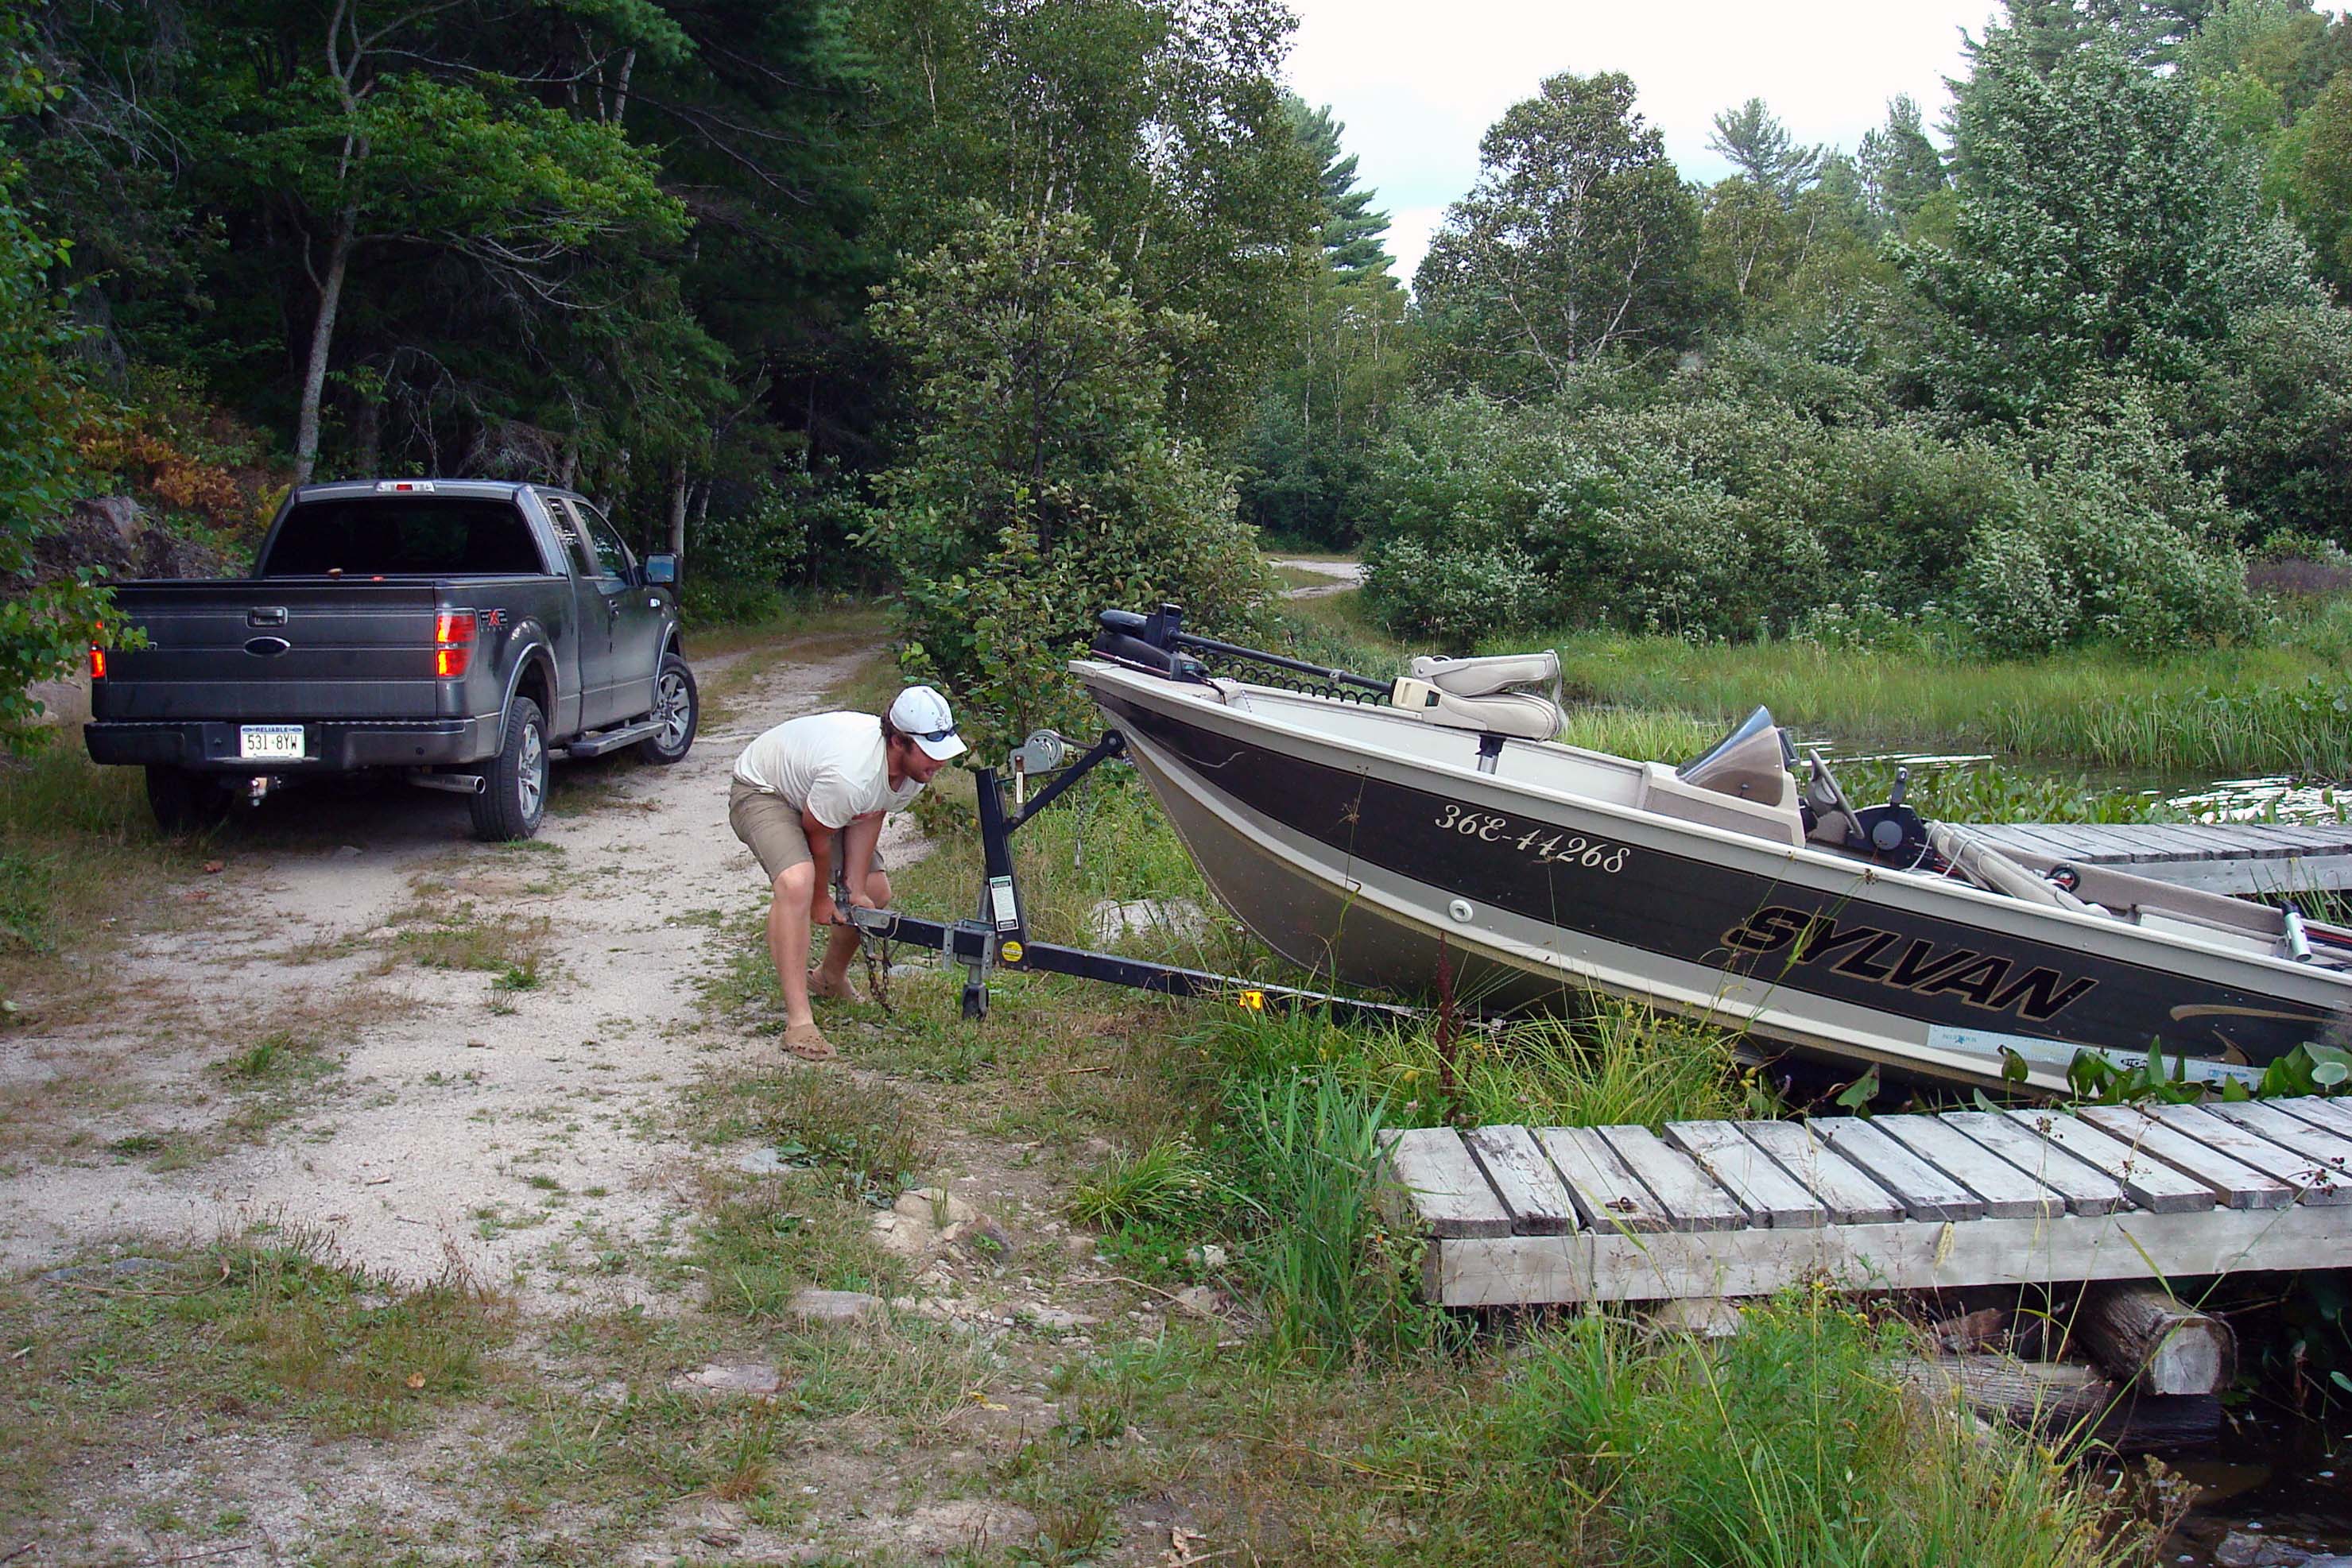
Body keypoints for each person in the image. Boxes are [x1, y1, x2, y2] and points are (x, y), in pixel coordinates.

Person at [727, 685, 965, 1060]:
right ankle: (799, 1022)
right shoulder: (851, 773)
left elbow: (872, 811)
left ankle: (829, 978)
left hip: (820, 797)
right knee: (797, 882)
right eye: (930, 752)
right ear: (898, 742)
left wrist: (854, 885)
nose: (939, 763)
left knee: (874, 890)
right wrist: (820, 898)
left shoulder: (914, 773)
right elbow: (818, 832)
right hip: (764, 791)